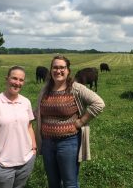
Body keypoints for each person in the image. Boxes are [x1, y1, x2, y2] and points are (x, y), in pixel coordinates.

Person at [35, 55, 105, 188]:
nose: (58, 70)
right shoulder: (45, 89)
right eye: (55, 67)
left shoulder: (76, 88)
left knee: (70, 183)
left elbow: (99, 103)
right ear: (51, 70)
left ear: (68, 71)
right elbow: (37, 111)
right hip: (47, 143)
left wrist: (81, 121)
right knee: (53, 183)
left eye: (62, 67)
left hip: (68, 143)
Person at [0, 66, 36, 188]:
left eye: (21, 80)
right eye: (14, 78)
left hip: (26, 161)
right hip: (2, 164)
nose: (17, 83)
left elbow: (29, 126)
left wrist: (34, 149)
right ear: (7, 79)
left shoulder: (26, 102)